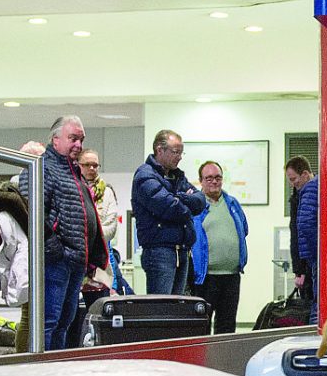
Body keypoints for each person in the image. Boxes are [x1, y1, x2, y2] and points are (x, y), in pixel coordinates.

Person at [19, 116, 106, 350]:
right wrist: (56, 249)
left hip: (73, 261)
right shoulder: (41, 167)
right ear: (55, 139)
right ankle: (40, 373)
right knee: (48, 323)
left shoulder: (73, 172)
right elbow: (31, 211)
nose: (78, 144)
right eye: (73, 138)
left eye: (81, 139)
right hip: (55, 261)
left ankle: (54, 370)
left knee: (64, 323)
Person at [133, 129, 205, 295]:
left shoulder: (177, 176)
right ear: (160, 150)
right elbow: (169, 208)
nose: (179, 157)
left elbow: (200, 201)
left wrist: (177, 197)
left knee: (176, 309)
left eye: (181, 152)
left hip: (181, 251)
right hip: (159, 252)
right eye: (175, 152)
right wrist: (183, 201)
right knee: (161, 308)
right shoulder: (145, 176)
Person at [63, 148, 122, 347]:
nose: (92, 168)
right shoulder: (70, 188)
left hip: (98, 264)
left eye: (95, 165)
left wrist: (88, 237)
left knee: (99, 314)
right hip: (74, 260)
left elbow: (111, 226)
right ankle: (69, 354)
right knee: (69, 316)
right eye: (87, 164)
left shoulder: (106, 192)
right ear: (78, 165)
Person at [190, 161, 249, 333]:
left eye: (217, 178)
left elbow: (243, 229)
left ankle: (224, 360)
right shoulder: (195, 205)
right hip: (205, 278)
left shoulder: (232, 203)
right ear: (201, 181)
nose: (214, 182)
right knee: (202, 325)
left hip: (231, 276)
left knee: (227, 325)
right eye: (209, 178)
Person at [285, 156, 315, 296]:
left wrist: (301, 271)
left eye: (293, 179)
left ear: (304, 174)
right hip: (309, 263)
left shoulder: (307, 196)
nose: (292, 184)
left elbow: (301, 234)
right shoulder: (297, 197)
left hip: (310, 264)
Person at [295, 168, 320, 323]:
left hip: (317, 256)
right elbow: (305, 224)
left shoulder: (313, 186)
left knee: (319, 304)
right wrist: (319, 250)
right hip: (319, 257)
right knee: (319, 307)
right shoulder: (315, 186)